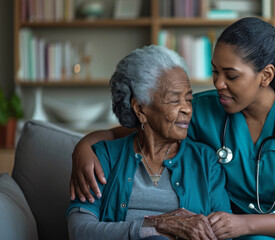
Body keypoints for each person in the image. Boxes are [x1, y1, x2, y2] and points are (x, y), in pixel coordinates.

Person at [70, 17, 275, 239]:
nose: (218, 83)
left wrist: (244, 223)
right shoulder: (205, 108)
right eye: (215, 71)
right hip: (249, 228)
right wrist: (83, 148)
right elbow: (140, 127)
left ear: (265, 75)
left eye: (231, 75)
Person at [66, 45, 231, 240]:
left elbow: (224, 235)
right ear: (140, 110)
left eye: (188, 99)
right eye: (175, 100)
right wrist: (152, 226)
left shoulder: (205, 161)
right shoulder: (104, 157)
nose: (187, 109)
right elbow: (79, 232)